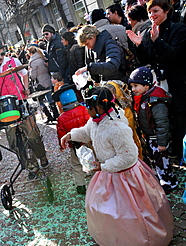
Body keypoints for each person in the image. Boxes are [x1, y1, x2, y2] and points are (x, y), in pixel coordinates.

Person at [60, 86, 174, 246]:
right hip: (107, 174)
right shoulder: (96, 120)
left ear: (99, 107)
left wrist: (103, 166)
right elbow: (87, 131)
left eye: (88, 107)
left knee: (133, 212)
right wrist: (71, 134)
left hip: (126, 177)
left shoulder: (117, 129)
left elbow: (128, 157)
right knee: (106, 210)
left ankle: (144, 239)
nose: (87, 111)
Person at [127, 0, 186, 163]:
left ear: (166, 10)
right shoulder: (148, 32)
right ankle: (168, 152)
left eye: (155, 11)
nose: (152, 15)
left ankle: (179, 153)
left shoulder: (178, 28)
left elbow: (174, 54)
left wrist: (157, 41)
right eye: (150, 12)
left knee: (178, 117)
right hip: (157, 83)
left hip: (176, 82)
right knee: (162, 117)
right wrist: (139, 46)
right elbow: (147, 59)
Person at [0, 38, 49, 179]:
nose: (1, 57)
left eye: (2, 54)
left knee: (33, 133)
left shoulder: (13, 62)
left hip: (20, 102)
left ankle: (41, 156)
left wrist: (25, 88)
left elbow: (24, 74)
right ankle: (32, 167)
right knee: (15, 141)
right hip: (6, 109)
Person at [129, 66, 178, 192]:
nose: (133, 89)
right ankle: (164, 179)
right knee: (158, 161)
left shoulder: (155, 101)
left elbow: (162, 123)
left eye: (136, 86)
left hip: (157, 138)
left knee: (162, 161)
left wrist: (162, 143)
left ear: (146, 86)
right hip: (151, 136)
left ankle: (169, 183)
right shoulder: (144, 98)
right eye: (132, 86)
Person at [53, 84, 90, 194]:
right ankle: (96, 183)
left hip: (75, 145)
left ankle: (80, 186)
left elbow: (61, 134)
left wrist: (62, 146)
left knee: (76, 165)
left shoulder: (62, 118)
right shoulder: (84, 109)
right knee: (93, 161)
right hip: (89, 141)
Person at [27, 45, 59, 123]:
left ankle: (49, 116)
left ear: (30, 53)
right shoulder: (42, 57)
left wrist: (29, 73)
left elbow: (33, 75)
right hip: (47, 80)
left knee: (40, 101)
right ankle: (56, 114)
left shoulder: (33, 62)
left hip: (40, 83)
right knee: (50, 99)